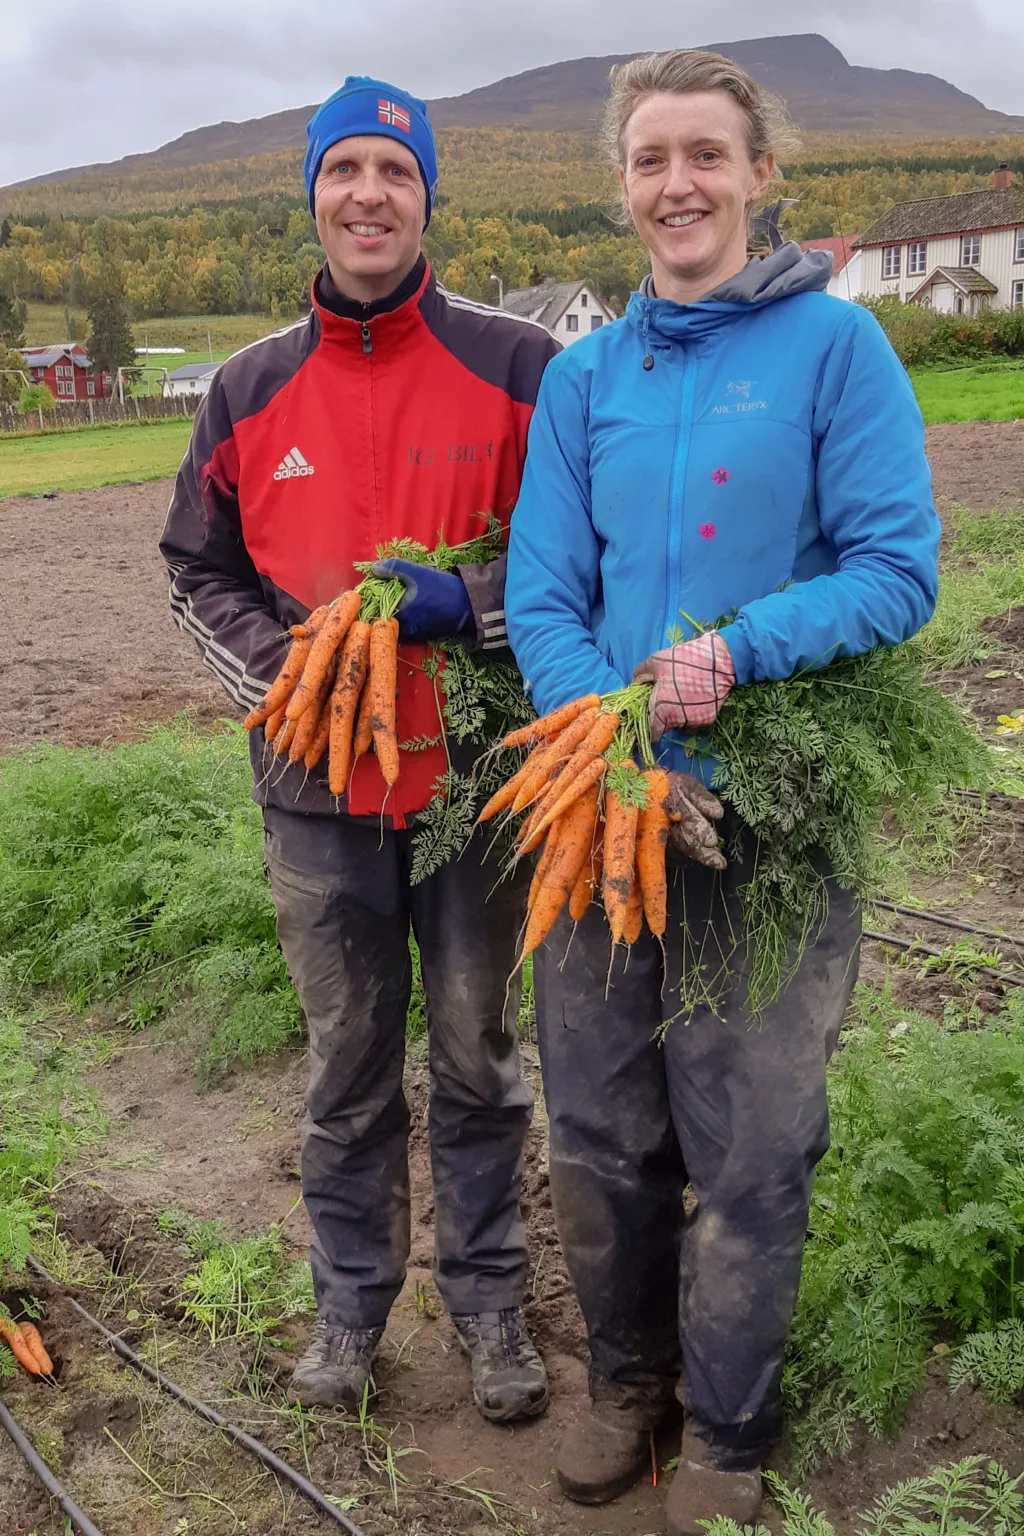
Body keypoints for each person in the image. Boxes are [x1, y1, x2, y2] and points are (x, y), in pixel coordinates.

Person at [504, 49, 939, 1535]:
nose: (677, 183)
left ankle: (733, 1424)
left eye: (706, 154)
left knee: (753, 1135)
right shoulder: (584, 378)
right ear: (621, 186)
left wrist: (737, 656)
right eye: (650, 159)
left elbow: (896, 571)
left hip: (772, 817)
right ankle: (628, 1387)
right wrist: (600, 736)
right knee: (603, 1130)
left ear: (763, 176)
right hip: (601, 815)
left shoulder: (838, 351)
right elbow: (545, 593)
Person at [161, 75, 559, 1423]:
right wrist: (294, 678)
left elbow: (578, 563)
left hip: (475, 794)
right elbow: (192, 573)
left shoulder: (519, 366)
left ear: (426, 195)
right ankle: (348, 1313)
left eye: (395, 170)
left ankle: (494, 1306)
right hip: (316, 797)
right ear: (315, 198)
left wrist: (478, 606)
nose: (369, 195)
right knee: (344, 1067)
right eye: (346, 172)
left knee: (477, 1054)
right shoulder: (246, 389)